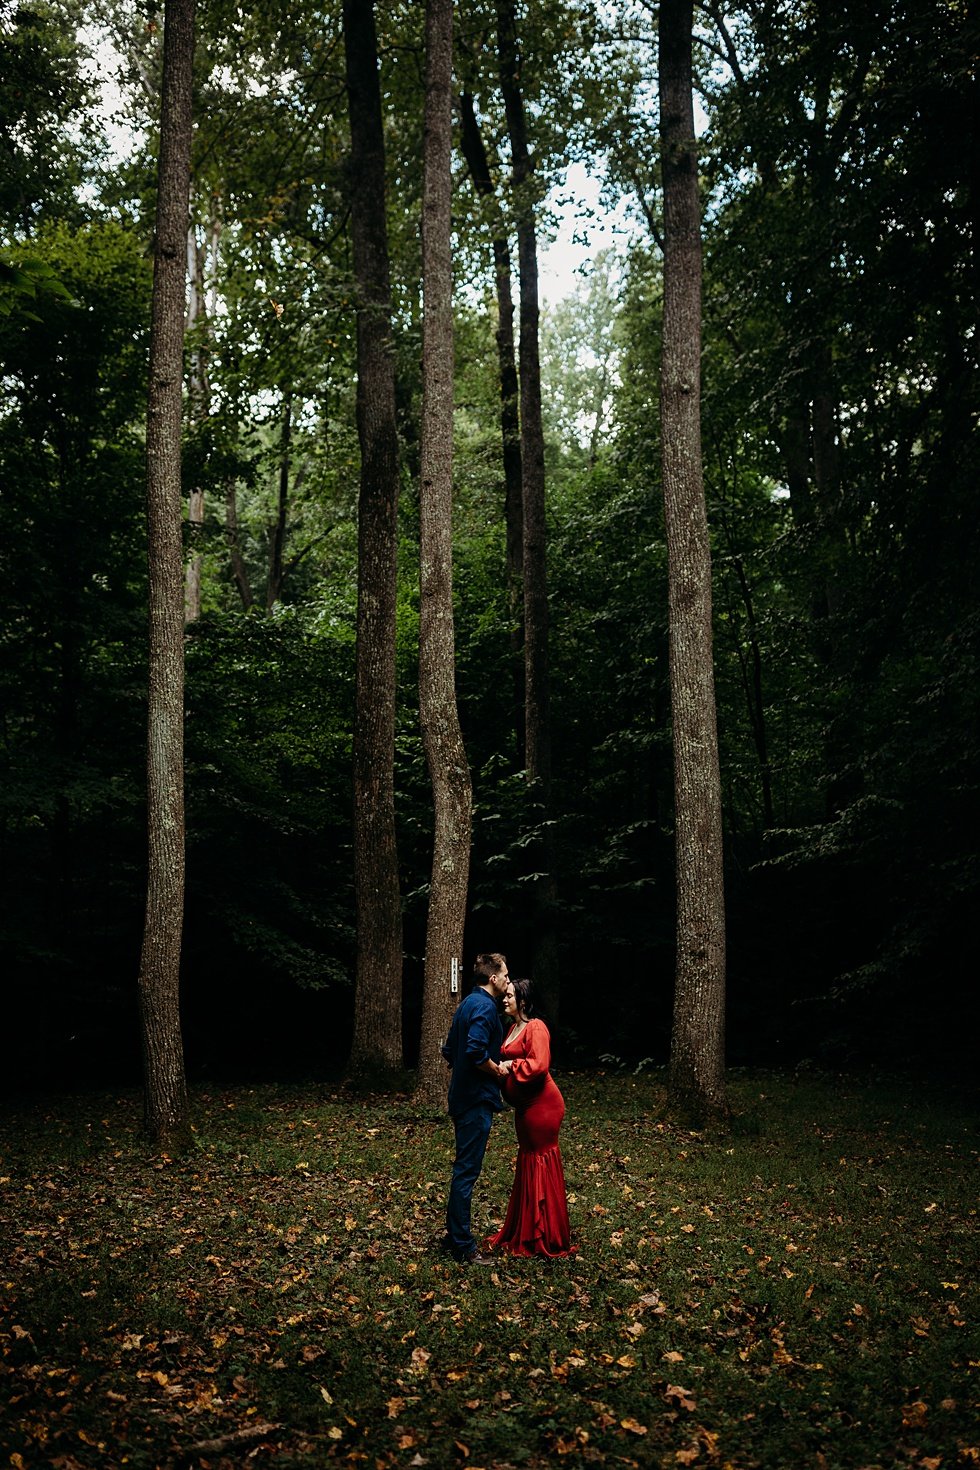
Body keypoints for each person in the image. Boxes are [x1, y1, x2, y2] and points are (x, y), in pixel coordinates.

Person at [487, 977, 574, 1258]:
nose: (505, 999)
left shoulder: (536, 1027)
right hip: (524, 1107)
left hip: (543, 1105)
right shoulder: (513, 1027)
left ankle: (544, 1233)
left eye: (510, 995)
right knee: (527, 1160)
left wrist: (512, 1065)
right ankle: (524, 1227)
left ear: (523, 1001)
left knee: (540, 1160)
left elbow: (539, 1065)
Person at [440, 952, 512, 1265]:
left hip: (462, 1097)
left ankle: (453, 1237)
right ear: (493, 978)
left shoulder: (467, 1003)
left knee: (463, 1170)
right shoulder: (484, 1006)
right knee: (466, 1172)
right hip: (474, 1101)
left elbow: (448, 1050)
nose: (508, 980)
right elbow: (473, 1050)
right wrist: (496, 1071)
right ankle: (463, 1247)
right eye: (506, 975)